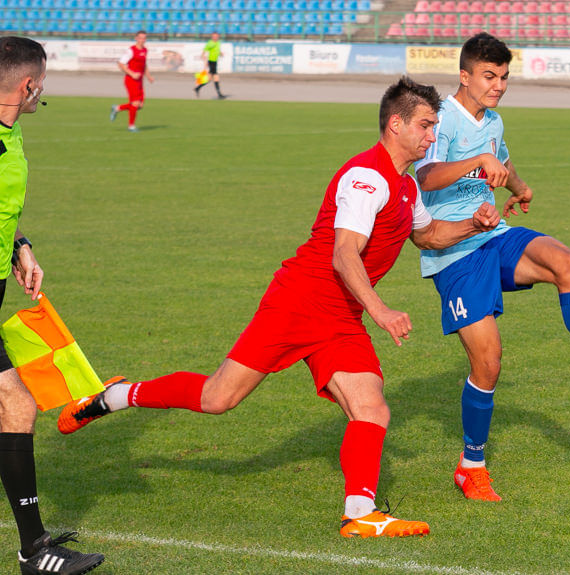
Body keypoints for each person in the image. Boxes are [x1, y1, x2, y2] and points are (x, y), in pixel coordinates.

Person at [58, 77, 501, 537]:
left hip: (340, 314)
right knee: (218, 398)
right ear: (396, 124)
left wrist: (475, 222)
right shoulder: (366, 178)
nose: (433, 137)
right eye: (427, 126)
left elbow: (428, 235)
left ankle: (359, 514)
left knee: (371, 407)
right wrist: (382, 310)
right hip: (300, 301)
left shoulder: (406, 186)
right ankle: (112, 396)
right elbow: (344, 253)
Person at [414, 33, 570, 502]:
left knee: (566, 263)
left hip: (494, 236)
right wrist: (478, 161)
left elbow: (501, 162)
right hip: (454, 254)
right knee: (488, 365)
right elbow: (424, 176)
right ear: (464, 76)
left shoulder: (493, 120)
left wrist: (519, 187)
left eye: (505, 77)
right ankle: (472, 466)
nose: (499, 86)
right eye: (489, 76)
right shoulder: (442, 119)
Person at [0, 36, 105, 575]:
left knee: (15, 403)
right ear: (28, 85)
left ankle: (32, 547)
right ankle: (34, 548)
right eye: (44, 81)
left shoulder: (8, 132)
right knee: (14, 400)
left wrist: (20, 247)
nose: (45, 90)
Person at [109, 30, 153, 133]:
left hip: (140, 81)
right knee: (135, 103)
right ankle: (131, 126)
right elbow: (120, 64)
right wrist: (132, 73)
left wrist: (148, 76)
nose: (142, 40)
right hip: (131, 80)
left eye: (144, 38)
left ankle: (117, 108)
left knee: (139, 106)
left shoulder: (145, 50)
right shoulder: (131, 50)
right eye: (140, 38)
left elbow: (144, 64)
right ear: (136, 38)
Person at [194, 32, 226, 100]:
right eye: (214, 36)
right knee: (216, 78)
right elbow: (204, 51)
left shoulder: (218, 42)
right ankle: (219, 94)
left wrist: (220, 53)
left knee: (209, 79)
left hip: (215, 62)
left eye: (216, 36)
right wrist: (203, 58)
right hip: (211, 62)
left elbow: (217, 49)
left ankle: (197, 88)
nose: (215, 37)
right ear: (212, 37)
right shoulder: (210, 43)